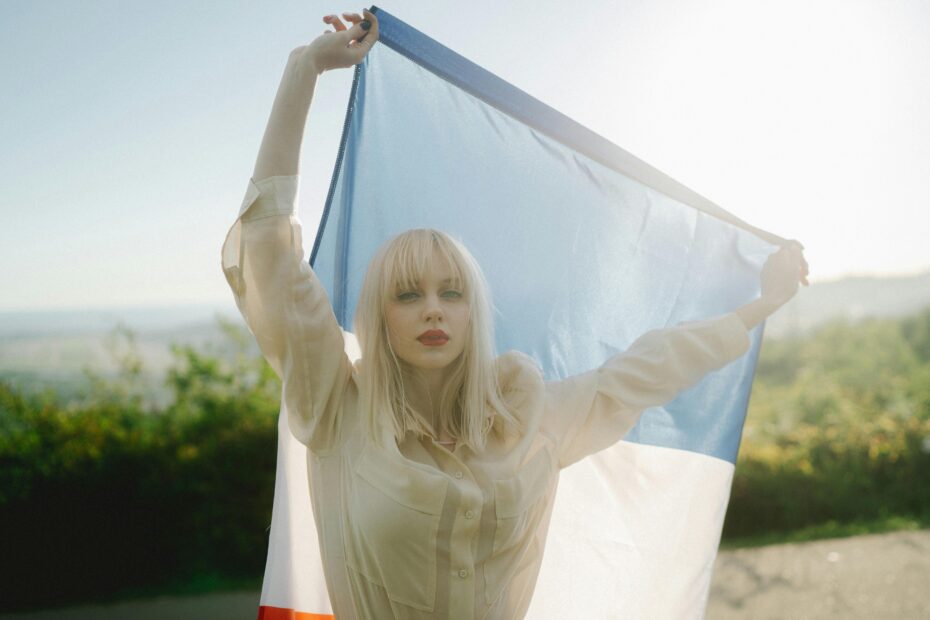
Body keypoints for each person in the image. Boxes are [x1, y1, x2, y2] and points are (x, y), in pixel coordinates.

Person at [221, 9, 810, 619]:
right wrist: (305, 69)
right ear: (380, 314)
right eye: (407, 295)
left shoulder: (528, 414)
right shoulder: (336, 409)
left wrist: (759, 305)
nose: (432, 310)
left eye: (452, 294)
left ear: (474, 314)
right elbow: (270, 259)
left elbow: (645, 370)